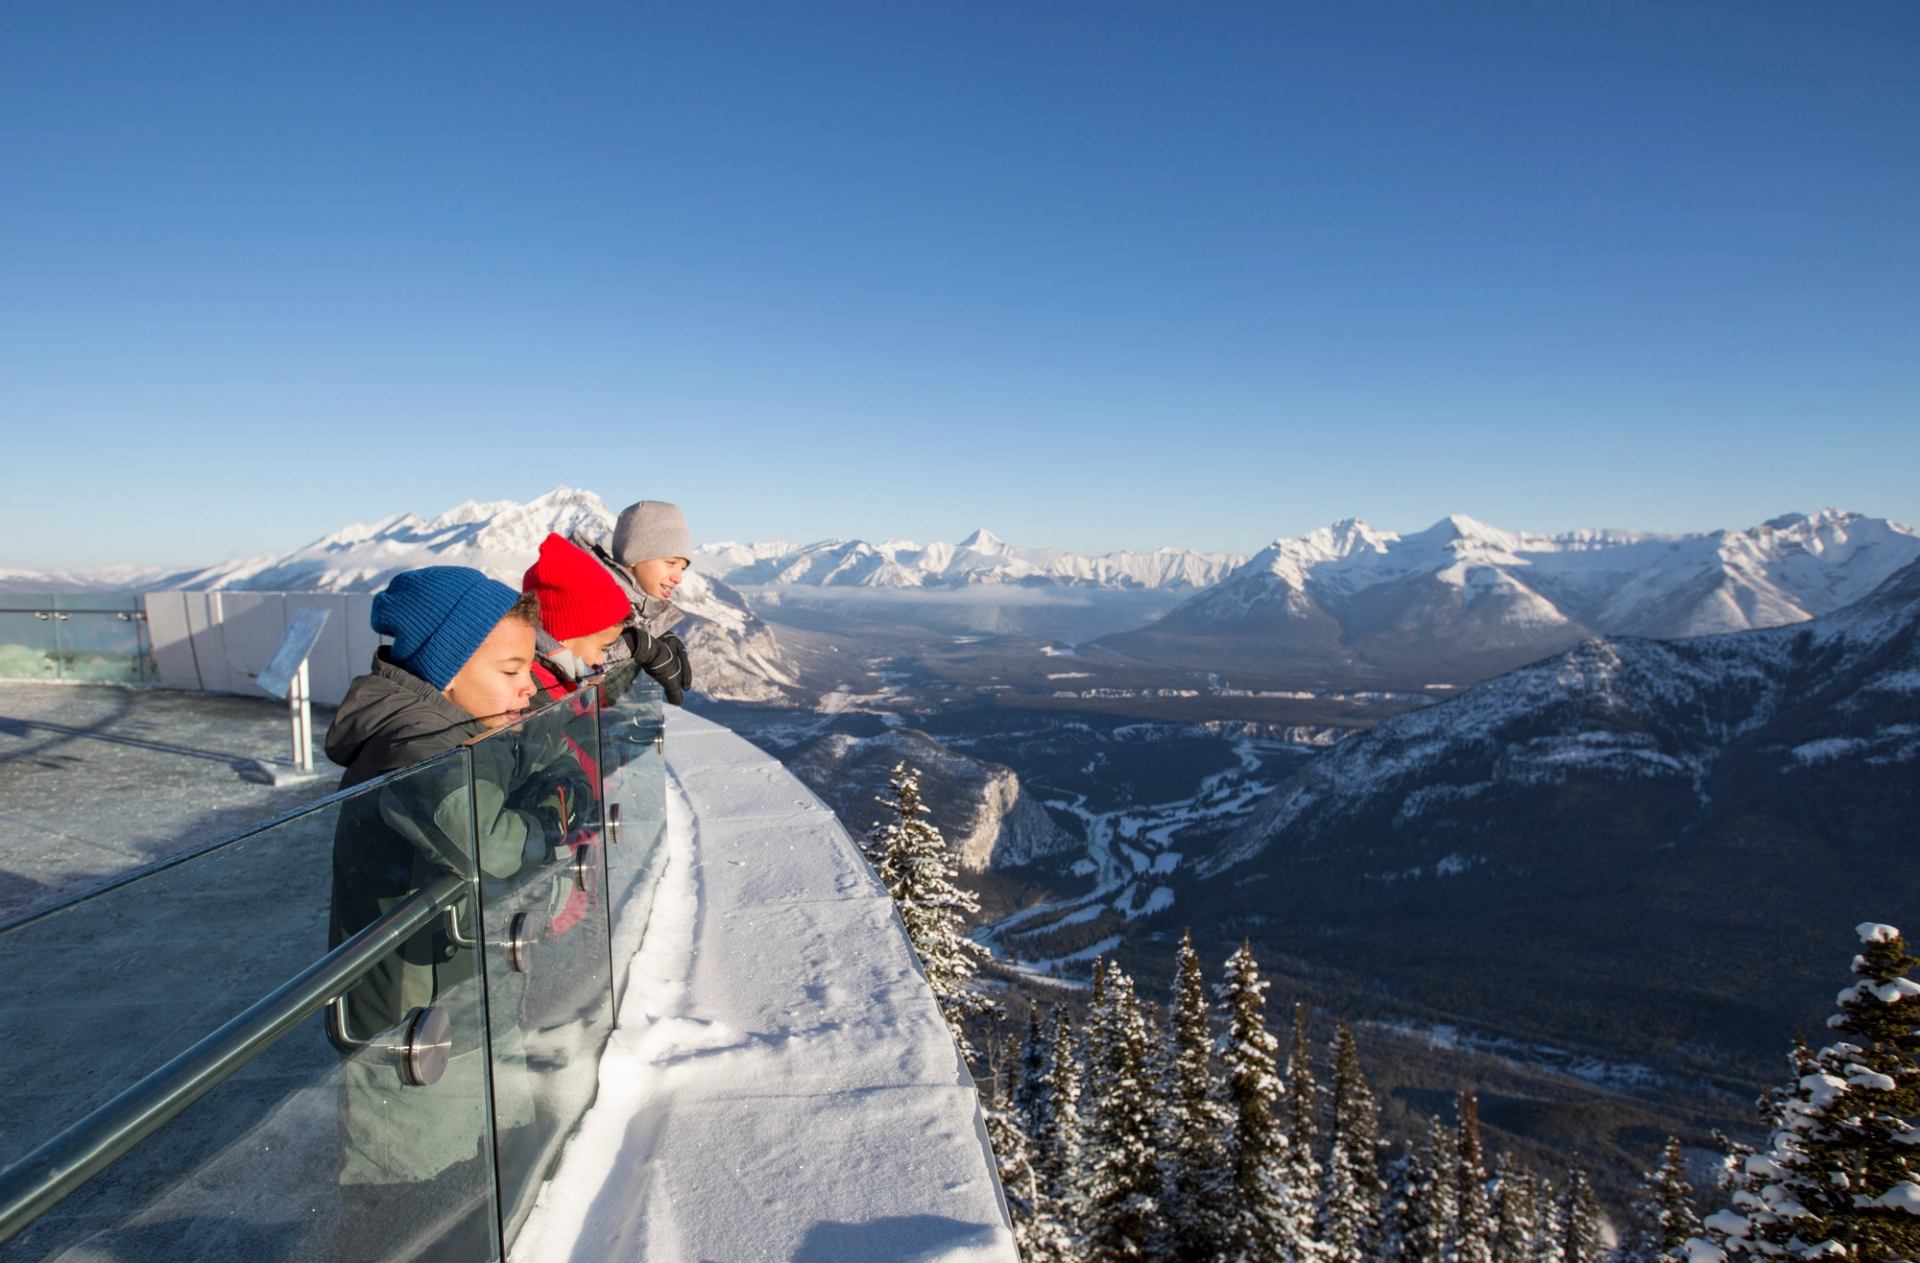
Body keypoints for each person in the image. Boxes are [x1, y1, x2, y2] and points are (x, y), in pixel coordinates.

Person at [323, 566, 587, 1261]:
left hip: (464, 1007)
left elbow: (555, 759)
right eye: (510, 669)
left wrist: (552, 791)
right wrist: (548, 821)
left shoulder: (468, 729)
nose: (529, 686)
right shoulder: (415, 748)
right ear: (444, 667)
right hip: (409, 1039)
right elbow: (495, 849)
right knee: (407, 1217)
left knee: (476, 1198)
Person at [569, 499, 696, 705]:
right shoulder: (590, 597)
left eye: (682, 568)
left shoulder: (631, 605)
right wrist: (634, 644)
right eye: (670, 563)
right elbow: (580, 685)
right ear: (634, 557)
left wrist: (652, 634)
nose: (678, 577)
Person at [519, 532, 633, 704]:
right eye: (602, 648)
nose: (601, 660)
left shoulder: (568, 678)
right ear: (563, 636)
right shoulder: (539, 692)